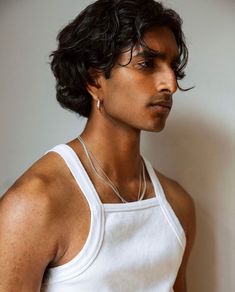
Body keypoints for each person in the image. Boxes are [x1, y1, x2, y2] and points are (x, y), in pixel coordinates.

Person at [0, 0, 196, 291]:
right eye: (147, 64)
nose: (170, 84)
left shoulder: (177, 205)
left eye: (172, 67)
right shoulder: (34, 203)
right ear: (94, 80)